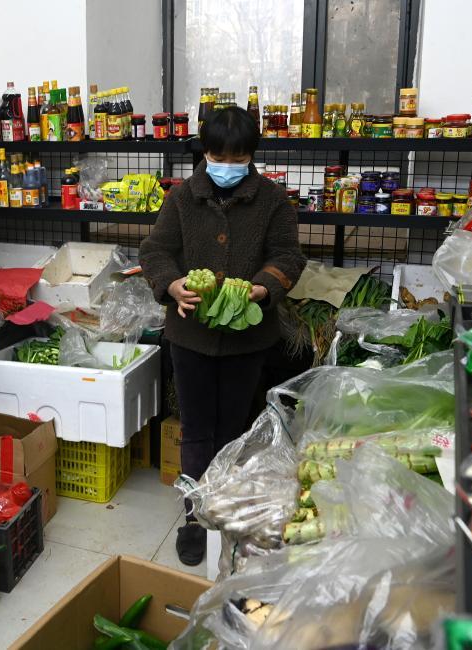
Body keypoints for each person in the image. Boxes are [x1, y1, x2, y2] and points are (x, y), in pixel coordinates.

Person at [139, 106, 306, 566]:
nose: (226, 166)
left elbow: (289, 257)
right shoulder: (181, 198)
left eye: (237, 158)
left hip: (247, 341)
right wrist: (171, 284)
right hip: (188, 337)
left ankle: (227, 514)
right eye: (217, 156)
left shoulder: (272, 200)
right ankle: (195, 516)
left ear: (252, 155)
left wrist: (263, 287)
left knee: (234, 429)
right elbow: (155, 250)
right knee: (196, 429)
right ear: (204, 151)